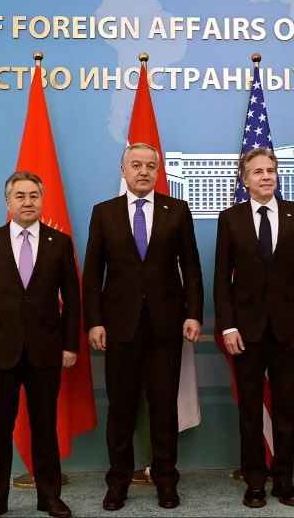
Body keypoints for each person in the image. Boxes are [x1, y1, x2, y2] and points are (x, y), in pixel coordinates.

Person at [83, 142, 204, 510]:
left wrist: (194, 314)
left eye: (150, 165)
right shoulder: (104, 212)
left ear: (158, 171)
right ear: (123, 170)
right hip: (119, 327)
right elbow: (93, 273)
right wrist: (94, 321)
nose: (143, 171)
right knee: (120, 408)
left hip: (166, 326)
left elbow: (192, 267)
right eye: (136, 165)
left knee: (163, 408)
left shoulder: (177, 210)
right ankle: (118, 483)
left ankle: (166, 480)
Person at [0, 171, 80, 518]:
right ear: (8, 201)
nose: (27, 202)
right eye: (20, 196)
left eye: (34, 196)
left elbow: (72, 299)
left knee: (45, 427)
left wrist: (70, 345)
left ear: (42, 201)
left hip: (46, 349)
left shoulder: (59, 243)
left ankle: (50, 497)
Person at [214, 148, 294, 508]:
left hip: (289, 330)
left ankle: (284, 481)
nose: (266, 176)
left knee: (285, 409)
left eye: (271, 170)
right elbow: (221, 279)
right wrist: (228, 326)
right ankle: (255, 481)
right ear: (245, 180)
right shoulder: (230, 219)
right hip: (246, 332)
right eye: (258, 171)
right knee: (250, 411)